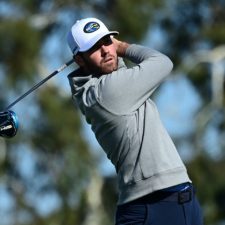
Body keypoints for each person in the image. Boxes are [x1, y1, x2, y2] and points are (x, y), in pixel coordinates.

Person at [67, 17, 204, 225]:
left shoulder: (107, 83)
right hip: (152, 208)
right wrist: (121, 47)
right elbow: (162, 63)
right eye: (95, 48)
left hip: (182, 200)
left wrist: (112, 51)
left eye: (106, 41)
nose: (106, 50)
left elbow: (118, 69)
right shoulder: (104, 92)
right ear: (79, 60)